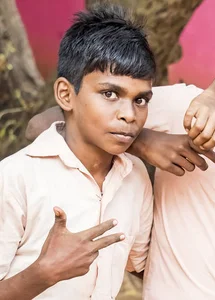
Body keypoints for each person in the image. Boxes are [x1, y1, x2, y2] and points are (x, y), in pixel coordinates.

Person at [0, 5, 154, 299]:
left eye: (141, 100)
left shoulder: (135, 177)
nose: (129, 115)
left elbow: (140, 264)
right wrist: (43, 274)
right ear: (66, 95)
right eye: (110, 94)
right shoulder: (16, 177)